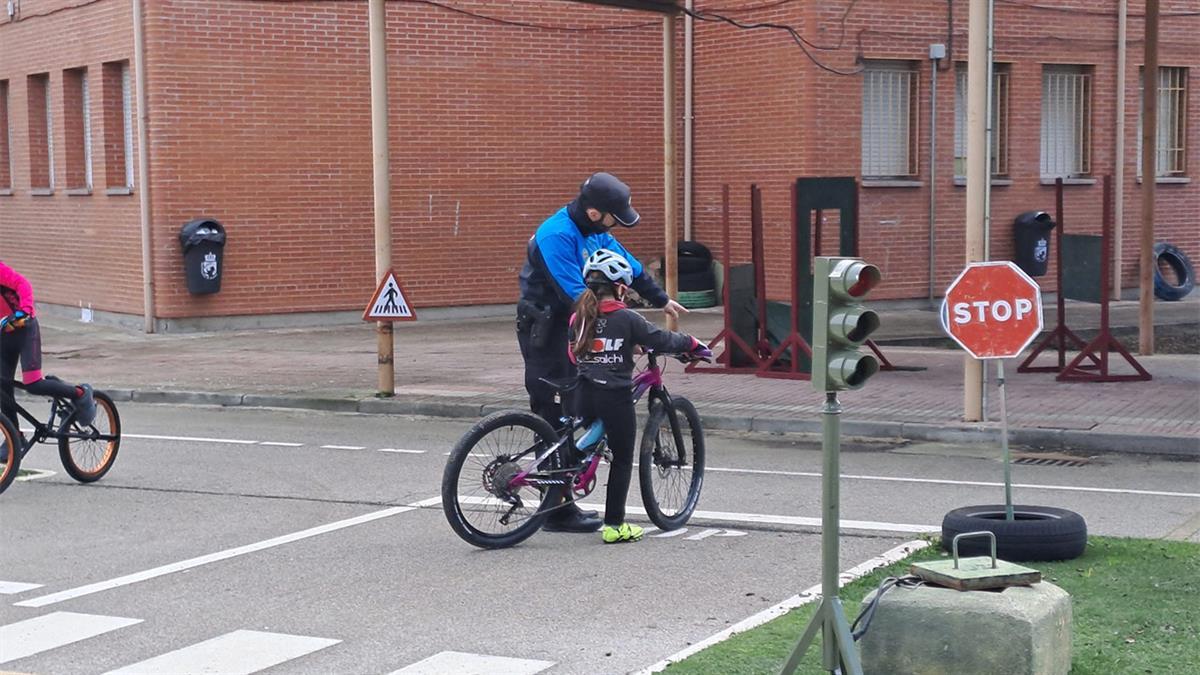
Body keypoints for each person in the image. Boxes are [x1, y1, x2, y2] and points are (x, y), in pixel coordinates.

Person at [517, 171, 687, 533]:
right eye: (614, 217)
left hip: (577, 323)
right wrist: (624, 329)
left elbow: (632, 269)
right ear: (595, 213)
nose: (616, 226)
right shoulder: (556, 236)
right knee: (554, 409)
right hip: (547, 330)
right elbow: (577, 297)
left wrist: (661, 300)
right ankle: (557, 508)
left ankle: (569, 478)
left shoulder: (598, 234)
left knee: (580, 406)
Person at [569, 249, 710, 543]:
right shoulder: (628, 319)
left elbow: (575, 353)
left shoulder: (578, 317)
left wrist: (616, 349)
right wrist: (693, 343)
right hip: (613, 397)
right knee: (622, 458)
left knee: (586, 437)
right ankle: (615, 526)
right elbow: (661, 339)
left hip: (583, 393)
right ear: (620, 287)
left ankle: (573, 462)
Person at [1, 261, 96, 436]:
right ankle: (13, 438)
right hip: (3, 336)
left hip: (24, 329)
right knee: (1, 386)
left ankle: (81, 393)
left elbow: (22, 284)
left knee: (33, 384)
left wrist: (25, 310)